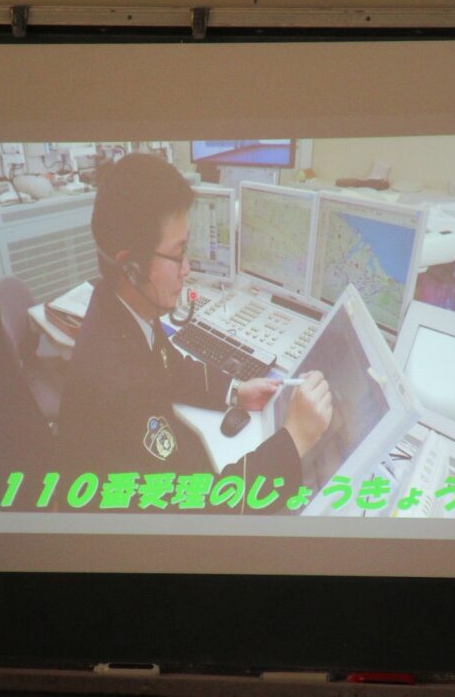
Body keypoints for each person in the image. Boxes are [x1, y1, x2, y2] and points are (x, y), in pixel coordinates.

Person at [56, 153, 332, 512]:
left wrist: (235, 392)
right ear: (131, 266)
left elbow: (165, 365)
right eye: (178, 254)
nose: (186, 269)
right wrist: (294, 440)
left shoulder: (118, 305)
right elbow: (206, 508)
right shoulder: (121, 388)